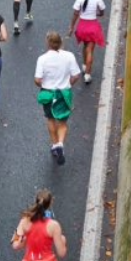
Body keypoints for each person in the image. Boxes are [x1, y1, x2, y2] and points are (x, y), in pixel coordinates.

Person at [34, 31, 81, 165]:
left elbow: (37, 79)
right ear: (60, 42)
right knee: (62, 122)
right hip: (63, 93)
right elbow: (76, 75)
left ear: (48, 43)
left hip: (49, 93)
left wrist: (43, 86)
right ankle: (60, 143)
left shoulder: (42, 59)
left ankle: (54, 145)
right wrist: (68, 84)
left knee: (50, 119)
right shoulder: (69, 56)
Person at [68, 0, 105, 83]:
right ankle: (87, 75)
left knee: (85, 46)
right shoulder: (98, 0)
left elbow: (75, 14)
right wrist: (96, 14)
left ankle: (84, 65)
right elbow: (102, 12)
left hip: (82, 27)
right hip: (92, 27)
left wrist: (71, 27)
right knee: (90, 50)